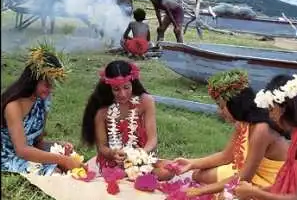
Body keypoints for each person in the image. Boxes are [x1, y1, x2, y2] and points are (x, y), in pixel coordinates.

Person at [173, 70, 288, 198]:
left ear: (236, 104)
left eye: (222, 107)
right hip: (248, 174)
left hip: (268, 184)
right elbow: (226, 156)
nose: (219, 112)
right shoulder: (242, 123)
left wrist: (201, 191)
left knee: (225, 198)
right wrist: (191, 163)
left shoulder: (261, 129)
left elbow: (244, 178)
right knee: (198, 175)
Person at [81, 60, 172, 180]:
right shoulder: (102, 112)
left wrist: (141, 153)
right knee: (116, 174)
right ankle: (130, 175)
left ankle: (135, 174)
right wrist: (112, 153)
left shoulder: (145, 101)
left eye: (126, 87)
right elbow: (102, 147)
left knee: (169, 170)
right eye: (116, 89)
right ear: (109, 88)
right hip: (115, 162)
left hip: (142, 157)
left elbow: (152, 138)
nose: (123, 94)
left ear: (133, 83)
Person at [1, 44, 84, 175]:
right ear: (34, 80)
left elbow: (37, 143)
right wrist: (63, 160)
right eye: (47, 85)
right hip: (8, 157)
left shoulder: (42, 101)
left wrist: (59, 145)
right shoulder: (13, 106)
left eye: (53, 85)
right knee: (55, 171)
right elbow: (22, 150)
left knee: (71, 163)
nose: (50, 89)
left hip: (29, 152)